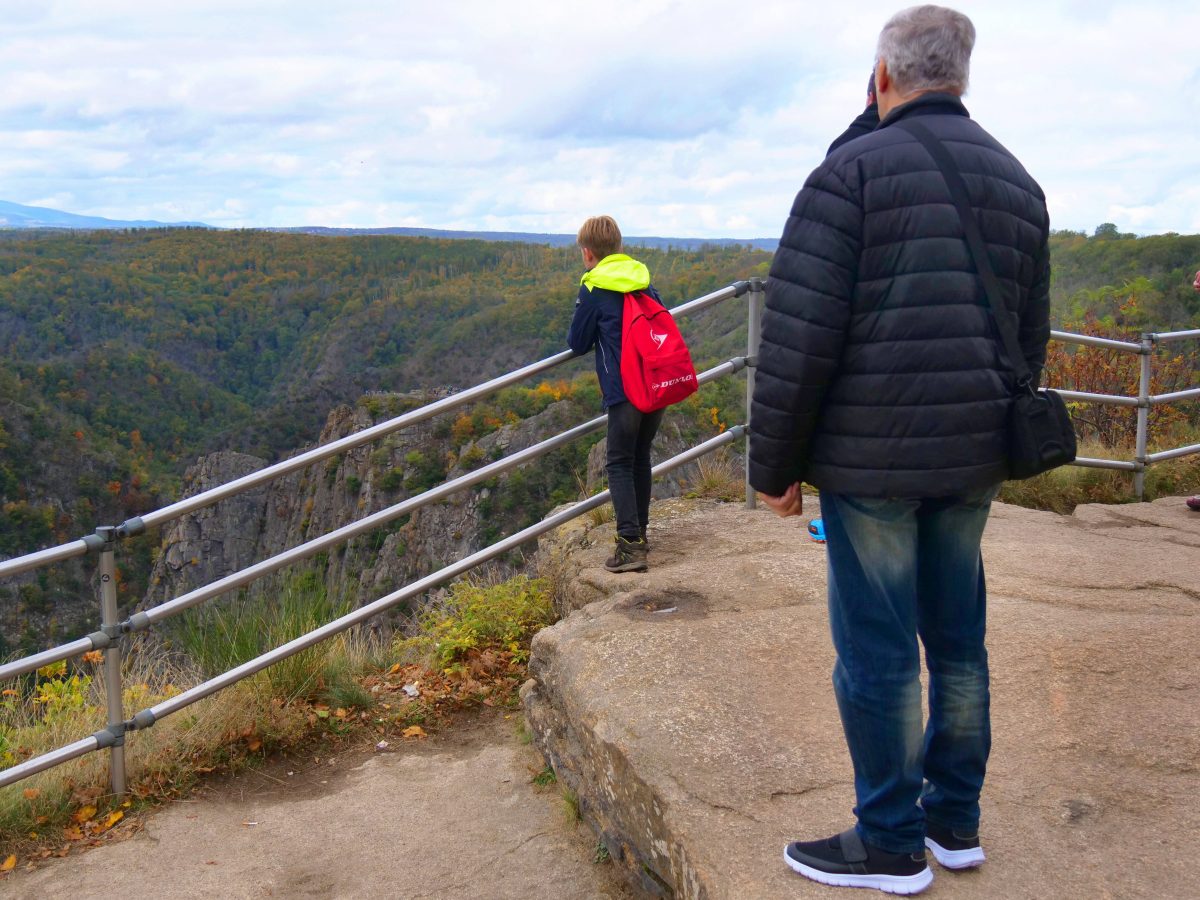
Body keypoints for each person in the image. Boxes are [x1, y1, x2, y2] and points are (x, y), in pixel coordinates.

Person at [749, 6, 1051, 894]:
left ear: (881, 75)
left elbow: (801, 338)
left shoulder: (849, 176)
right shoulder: (1018, 181)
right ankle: (953, 823)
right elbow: (1028, 342)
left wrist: (775, 468)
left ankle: (889, 841)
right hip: (970, 459)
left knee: (876, 650)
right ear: (962, 76)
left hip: (871, 462)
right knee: (958, 640)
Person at [568, 215, 665, 573]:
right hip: (655, 382)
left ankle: (629, 546)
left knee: (619, 462)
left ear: (588, 252)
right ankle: (640, 532)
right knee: (640, 456)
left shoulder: (593, 287)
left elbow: (577, 343)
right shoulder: (642, 278)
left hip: (624, 389)